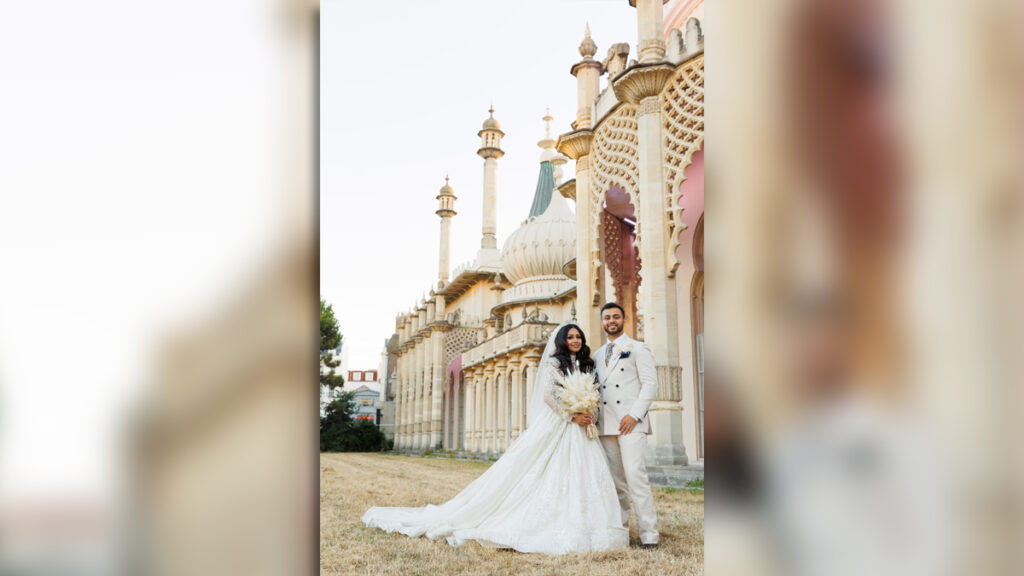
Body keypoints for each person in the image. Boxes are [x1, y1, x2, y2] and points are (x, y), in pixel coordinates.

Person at [361, 322, 628, 555]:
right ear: (562, 341)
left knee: (586, 474)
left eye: (578, 336)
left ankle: (590, 524)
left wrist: (588, 411)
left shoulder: (587, 362)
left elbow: (592, 391)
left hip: (584, 427)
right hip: (562, 422)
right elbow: (549, 396)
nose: (575, 340)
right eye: (570, 337)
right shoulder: (554, 363)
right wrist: (572, 415)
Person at [594, 302, 661, 549]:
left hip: (631, 424)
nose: (611, 321)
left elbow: (650, 384)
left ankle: (649, 536)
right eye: (607, 318)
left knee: (636, 478)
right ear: (602, 322)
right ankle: (621, 533)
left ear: (624, 319)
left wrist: (634, 415)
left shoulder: (638, 348)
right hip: (607, 425)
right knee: (617, 483)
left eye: (615, 317)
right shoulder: (598, 355)